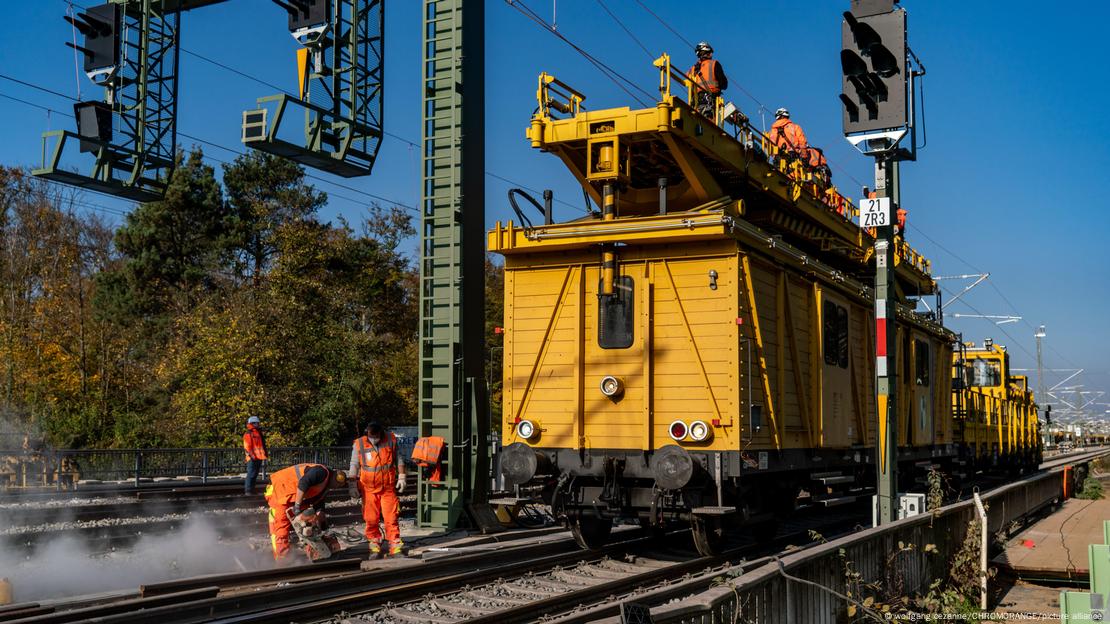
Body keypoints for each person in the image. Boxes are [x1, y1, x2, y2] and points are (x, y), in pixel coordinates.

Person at [263, 463, 346, 560]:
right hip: (279, 489)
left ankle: (315, 550)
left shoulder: (326, 484)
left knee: (308, 523)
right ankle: (282, 560)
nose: (336, 488)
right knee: (281, 528)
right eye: (337, 486)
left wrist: (322, 521)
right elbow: (303, 483)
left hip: (292, 495)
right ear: (336, 480)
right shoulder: (321, 472)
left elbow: (318, 502)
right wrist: (297, 507)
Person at [349, 422, 406, 557]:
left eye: (376, 436)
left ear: (381, 433)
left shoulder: (391, 439)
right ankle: (374, 546)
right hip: (368, 489)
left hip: (387, 487)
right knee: (371, 519)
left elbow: (399, 459)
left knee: (391, 518)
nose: (374, 439)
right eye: (371, 436)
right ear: (366, 433)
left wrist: (402, 476)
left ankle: (395, 548)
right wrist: (352, 485)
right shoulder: (359, 444)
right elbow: (354, 465)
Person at [688, 41, 728, 118]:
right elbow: (724, 84)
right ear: (705, 53)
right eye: (709, 52)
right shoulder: (714, 64)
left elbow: (686, 82)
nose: (711, 54)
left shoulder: (692, 70)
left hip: (695, 104)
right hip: (709, 102)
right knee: (709, 124)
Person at [243, 416, 267, 495]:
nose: (258, 424)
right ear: (252, 423)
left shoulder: (258, 433)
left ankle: (251, 490)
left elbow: (261, 445)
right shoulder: (248, 433)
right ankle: (248, 491)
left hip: (258, 457)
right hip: (252, 458)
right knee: (251, 474)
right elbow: (247, 446)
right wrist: (252, 456)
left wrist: (264, 454)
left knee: (254, 474)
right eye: (257, 423)